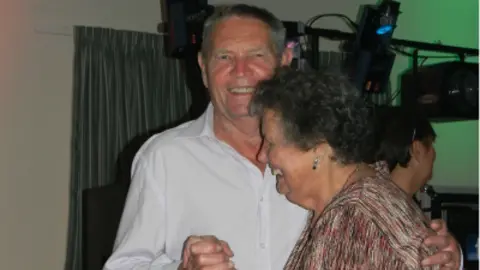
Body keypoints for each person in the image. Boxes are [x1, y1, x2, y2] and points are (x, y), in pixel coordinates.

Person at [104, 4, 461, 270]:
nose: (239, 71)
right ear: (202, 67)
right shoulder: (165, 158)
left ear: (286, 59)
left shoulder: (333, 153)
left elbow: (385, 227)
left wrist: (449, 257)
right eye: (224, 56)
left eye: (255, 56)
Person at [249, 66, 440, 269]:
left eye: (270, 143)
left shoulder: (353, 221)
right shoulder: (350, 205)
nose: (262, 155)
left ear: (318, 150)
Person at [372, 106, 437, 196]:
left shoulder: (375, 198)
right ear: (417, 150)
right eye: (431, 144)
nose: (434, 154)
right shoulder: (389, 206)